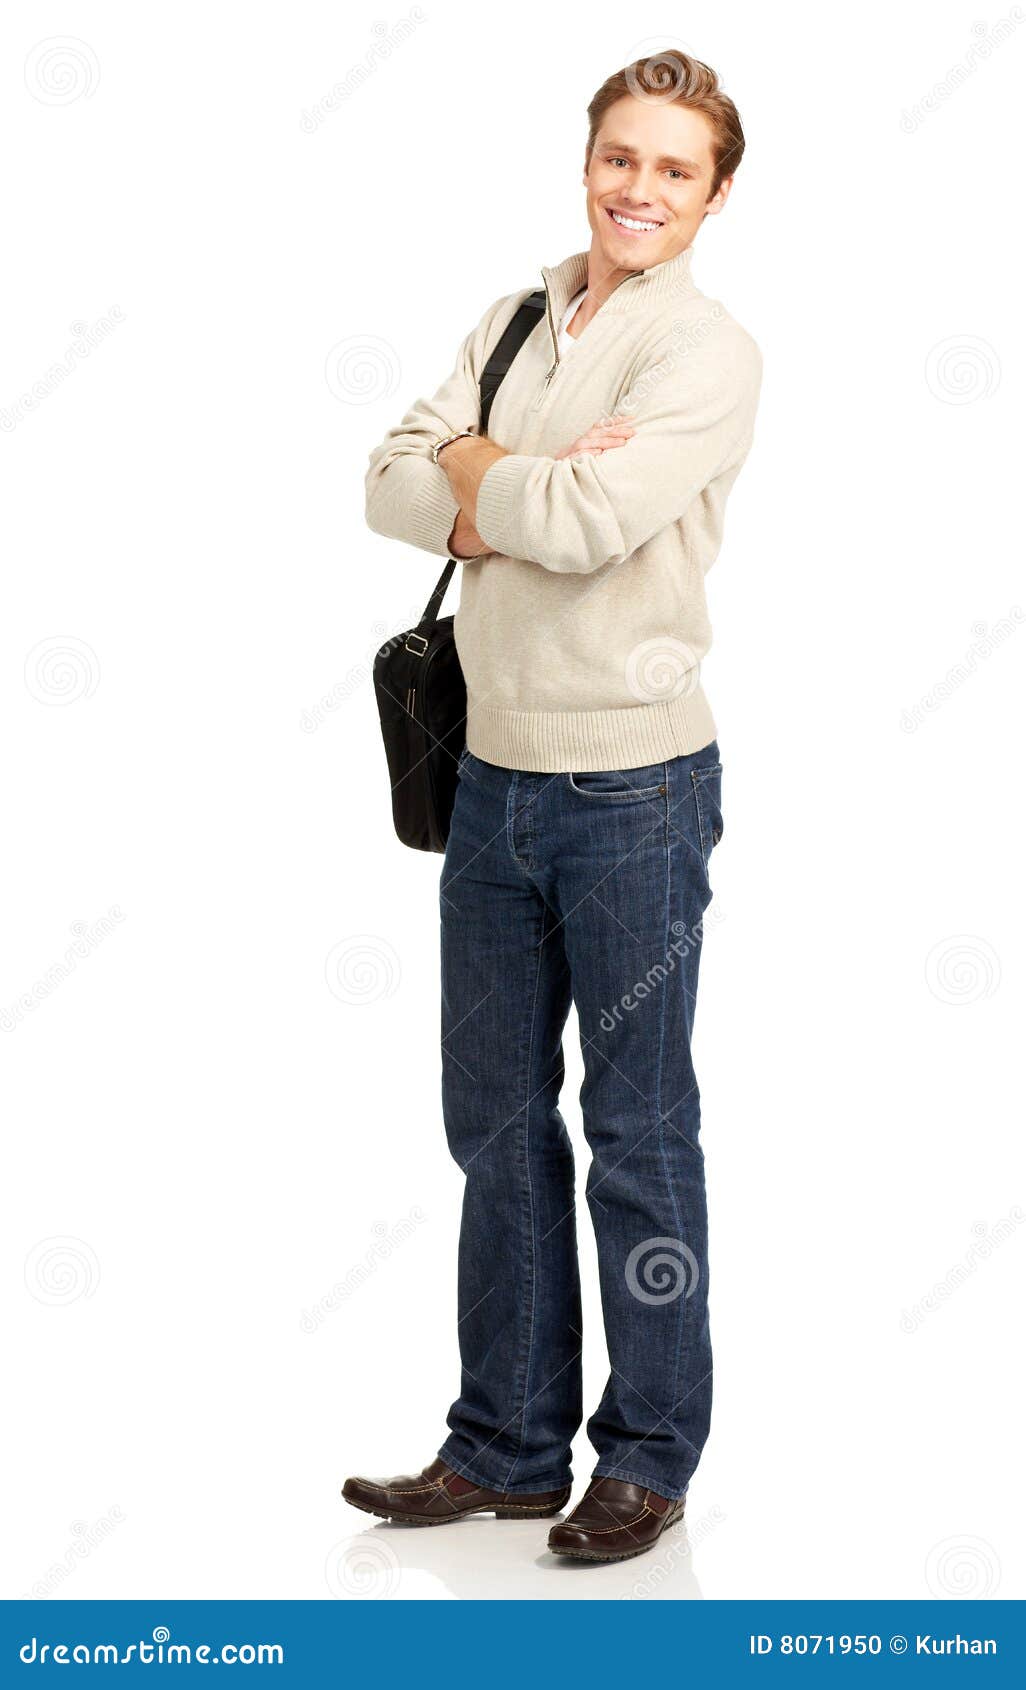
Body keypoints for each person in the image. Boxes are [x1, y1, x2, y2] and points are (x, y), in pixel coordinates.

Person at [345, 49, 763, 1564]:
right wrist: (493, 469)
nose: (636, 188)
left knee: (636, 1130)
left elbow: (591, 523)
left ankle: (646, 1452)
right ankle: (506, 1442)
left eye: (672, 168)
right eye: (618, 158)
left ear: (715, 193)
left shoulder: (700, 353)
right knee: (495, 1123)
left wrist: (482, 475)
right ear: (584, 161)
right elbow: (388, 477)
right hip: (491, 780)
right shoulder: (516, 316)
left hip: (631, 783)